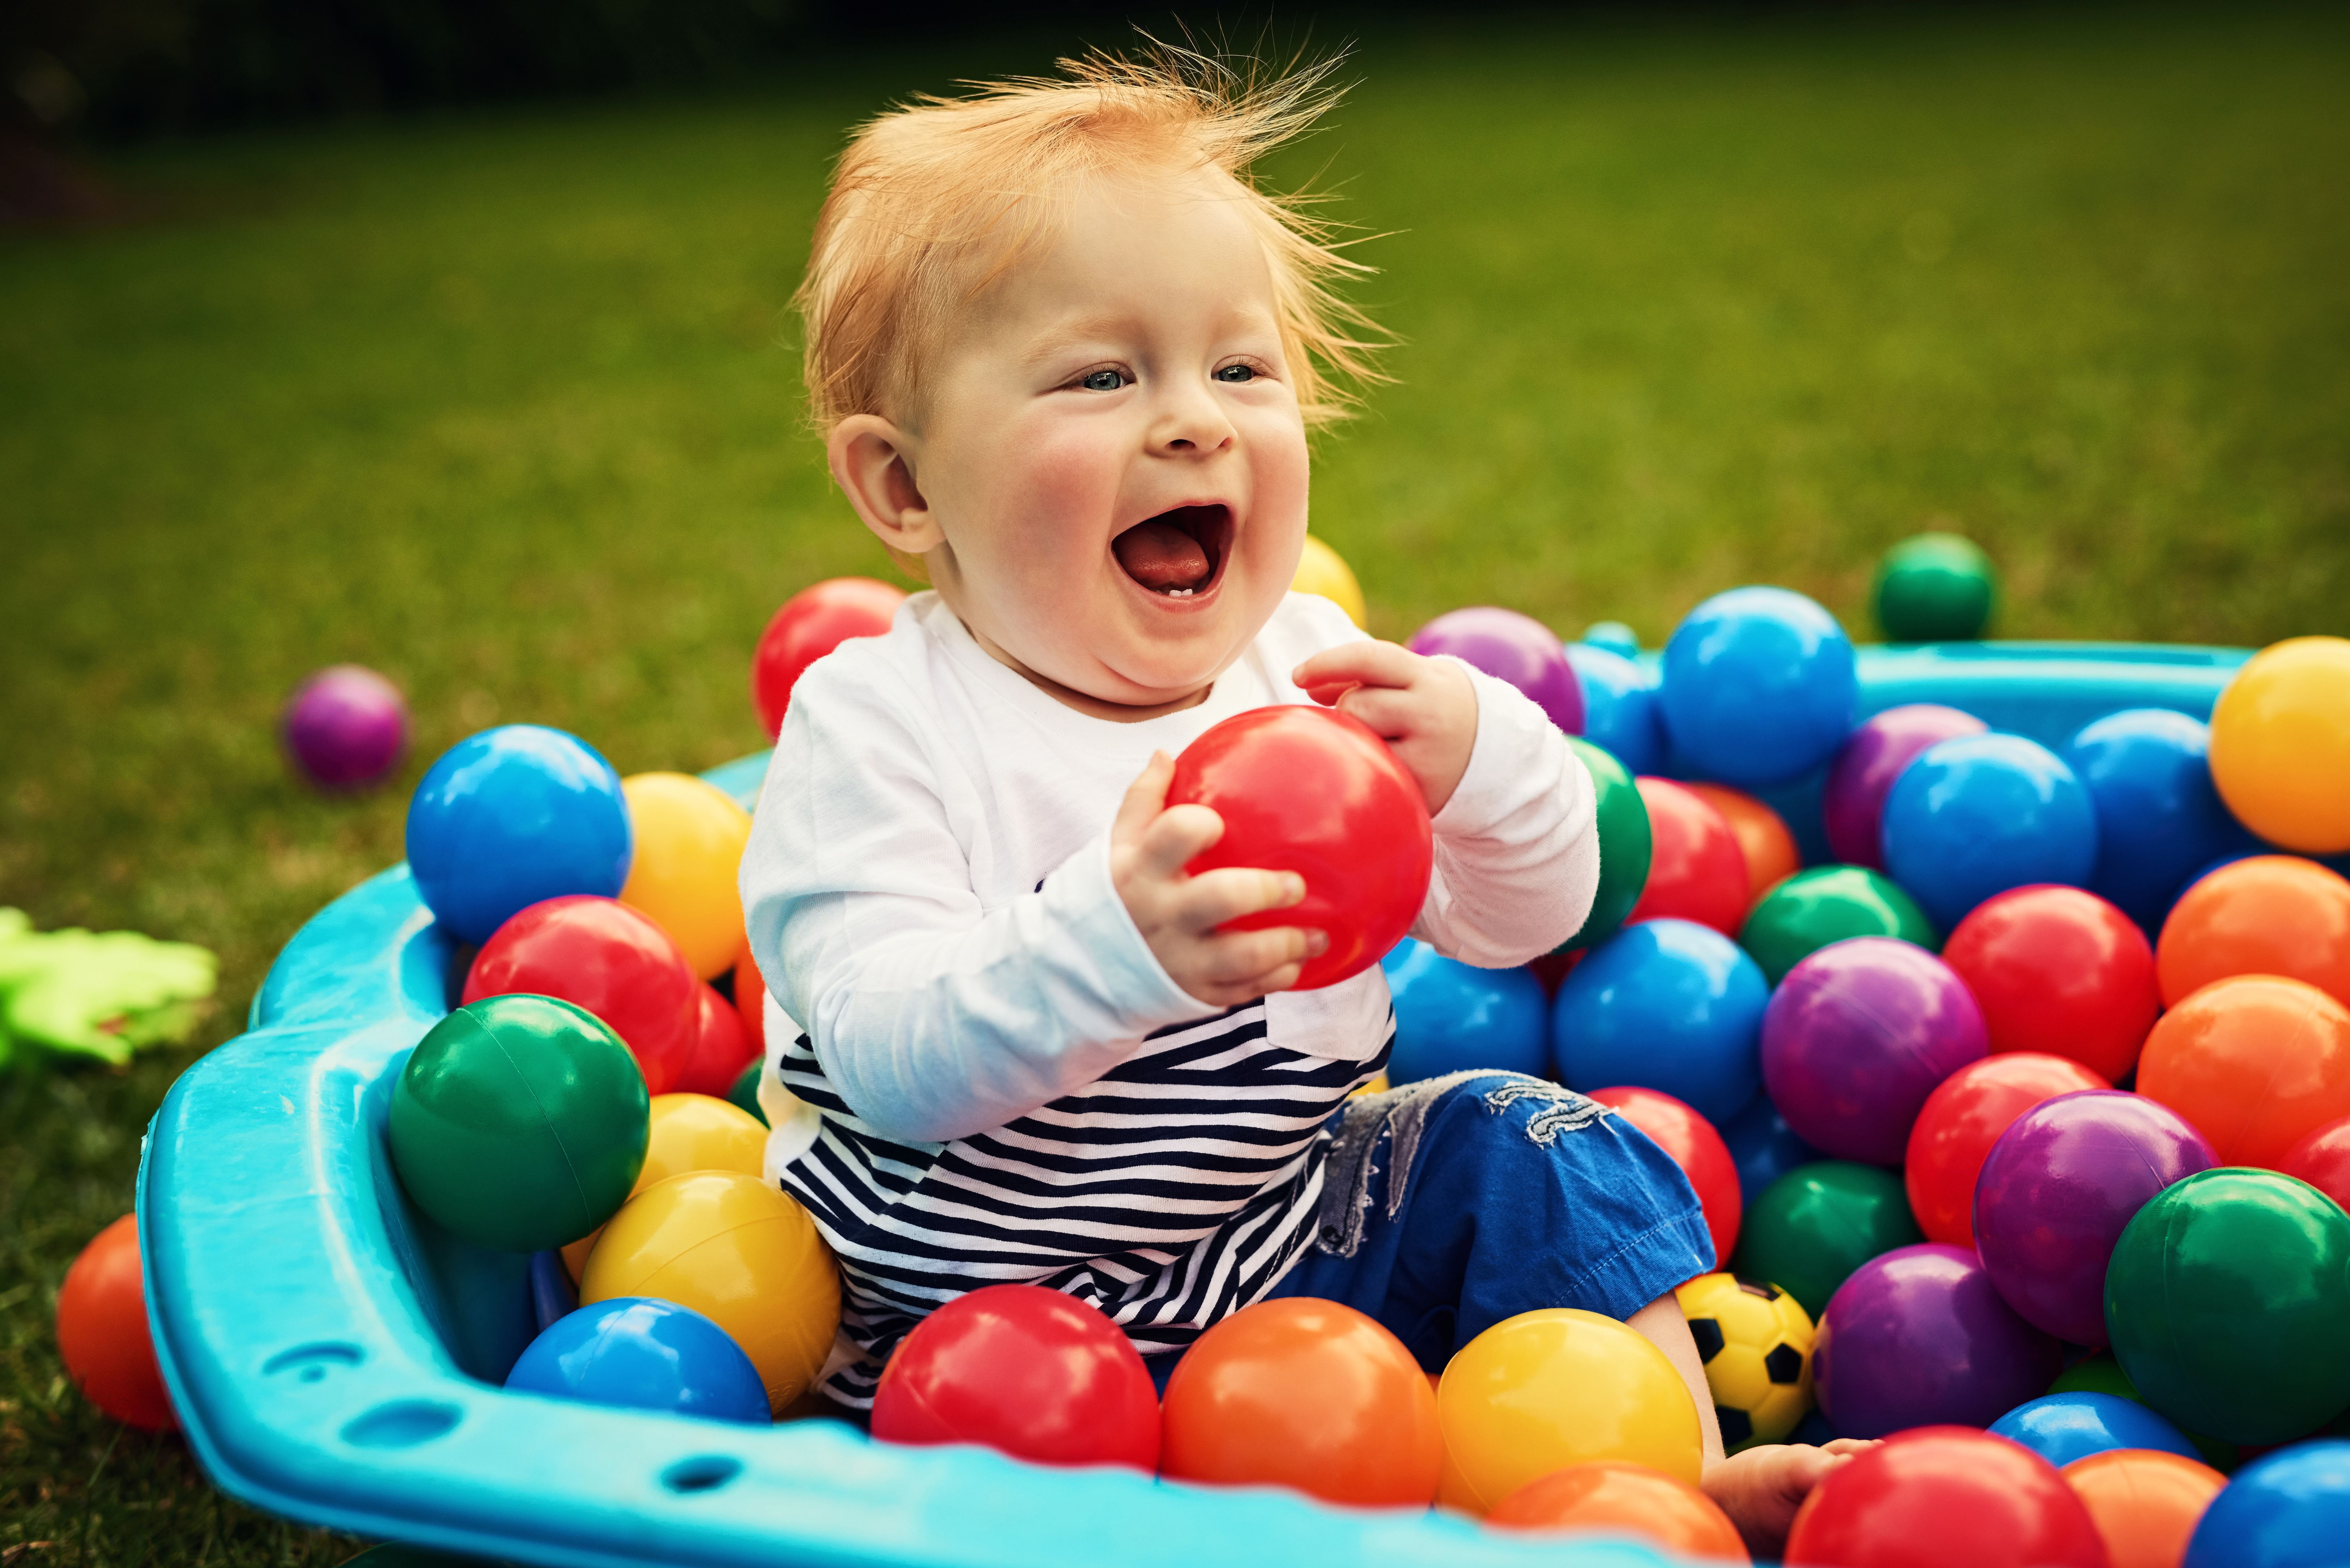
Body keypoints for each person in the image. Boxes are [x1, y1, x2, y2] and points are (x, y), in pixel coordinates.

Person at [739, 43, 1864, 1549]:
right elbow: (886, 1059)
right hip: (975, 1345)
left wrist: (1485, 768)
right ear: (904, 489)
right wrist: (1111, 943)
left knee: (1522, 1144)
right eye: (1101, 374)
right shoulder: (879, 726)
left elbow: (1523, 923)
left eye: (1240, 369)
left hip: (1278, 1248)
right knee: (1002, 1431)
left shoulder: (1306, 675)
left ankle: (1657, 1480)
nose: (1194, 419)